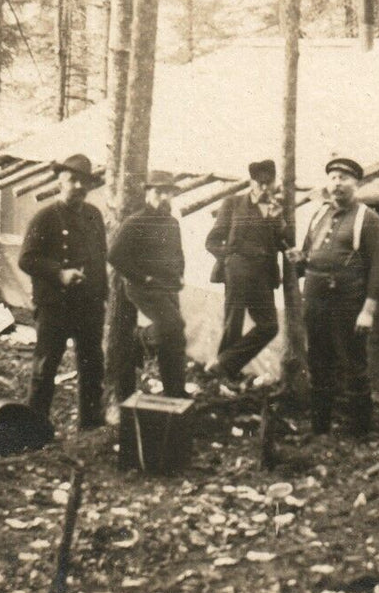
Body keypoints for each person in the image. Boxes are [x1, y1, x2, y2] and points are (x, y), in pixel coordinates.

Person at [285, 157, 379, 437]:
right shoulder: (319, 215)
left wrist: (367, 310)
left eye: (344, 178)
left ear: (357, 183)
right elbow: (307, 257)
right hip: (316, 302)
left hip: (348, 304)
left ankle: (359, 431)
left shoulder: (368, 219)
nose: (337, 183)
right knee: (318, 362)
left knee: (353, 363)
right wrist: (300, 259)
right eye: (333, 178)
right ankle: (320, 429)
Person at [18, 153, 108, 430]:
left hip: (88, 306)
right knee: (45, 368)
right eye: (72, 180)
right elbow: (27, 259)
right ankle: (34, 428)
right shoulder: (45, 217)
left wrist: (103, 296)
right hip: (54, 306)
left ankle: (90, 425)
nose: (79, 187)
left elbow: (100, 257)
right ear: (60, 181)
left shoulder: (94, 216)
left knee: (92, 366)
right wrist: (59, 273)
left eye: (84, 183)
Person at [205, 159, 287, 385]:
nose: (263, 187)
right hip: (238, 271)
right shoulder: (233, 203)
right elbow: (212, 241)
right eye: (259, 182)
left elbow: (284, 244)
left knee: (269, 325)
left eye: (267, 182)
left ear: (274, 183)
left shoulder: (276, 209)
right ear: (251, 182)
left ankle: (224, 364)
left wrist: (278, 219)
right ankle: (226, 377)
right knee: (234, 321)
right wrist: (230, 259)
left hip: (263, 275)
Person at [108, 170, 188, 401]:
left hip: (168, 287)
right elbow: (115, 255)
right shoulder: (136, 221)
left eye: (168, 192)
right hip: (142, 288)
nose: (164, 197)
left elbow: (178, 253)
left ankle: (175, 391)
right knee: (173, 324)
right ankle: (140, 338)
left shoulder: (172, 223)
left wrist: (179, 274)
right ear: (149, 193)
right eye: (159, 191)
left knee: (176, 339)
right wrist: (143, 278)